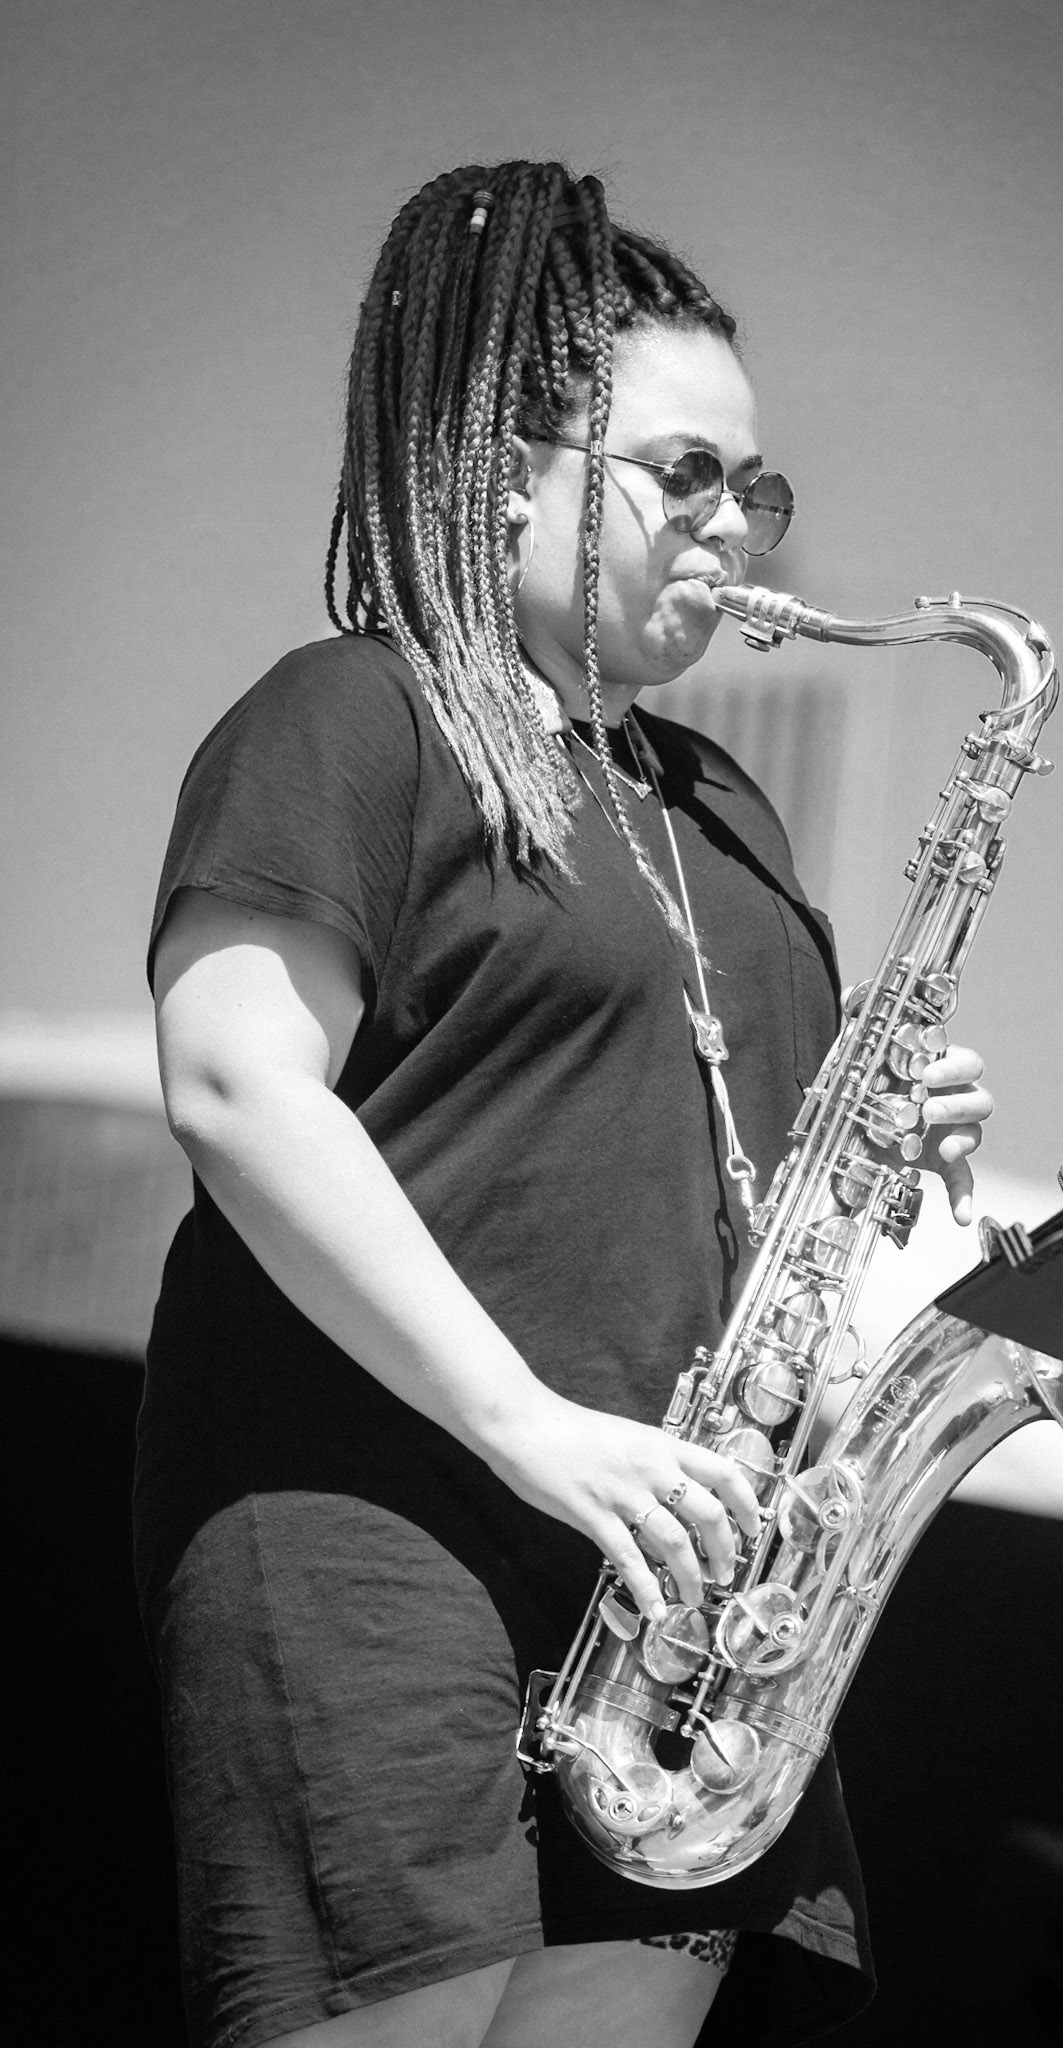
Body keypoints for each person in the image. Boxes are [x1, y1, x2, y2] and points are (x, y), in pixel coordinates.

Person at [135, 160, 992, 2048]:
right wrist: (534, 1427)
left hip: (669, 1596)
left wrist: (880, 1137)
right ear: (498, 462)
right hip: (388, 1522)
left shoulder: (723, 816)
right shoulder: (354, 714)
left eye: (754, 488)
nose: (736, 527)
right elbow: (230, 1083)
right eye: (681, 472)